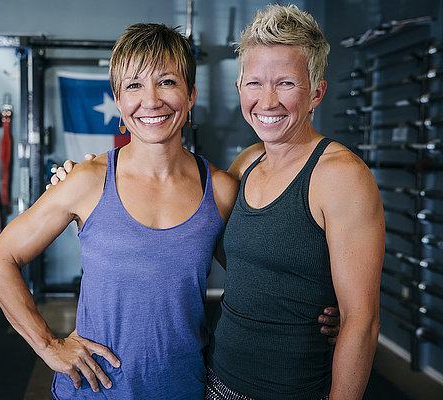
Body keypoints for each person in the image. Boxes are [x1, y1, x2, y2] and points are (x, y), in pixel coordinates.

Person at [0, 22, 339, 400]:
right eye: (134, 85)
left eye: (167, 82)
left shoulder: (219, 189)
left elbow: (254, 270)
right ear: (119, 101)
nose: (150, 100)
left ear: (190, 96)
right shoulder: (86, 180)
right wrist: (48, 345)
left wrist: (318, 309)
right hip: (91, 392)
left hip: (184, 389)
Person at [51, 5, 383, 400]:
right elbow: (243, 262)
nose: (268, 100)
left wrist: (337, 311)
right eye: (255, 83)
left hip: (294, 388)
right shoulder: (244, 166)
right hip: (216, 382)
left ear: (316, 93)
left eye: (287, 83)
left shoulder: (342, 176)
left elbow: (361, 321)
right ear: (240, 88)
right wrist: (84, 181)